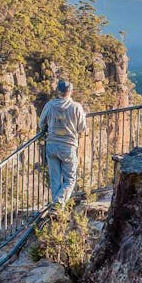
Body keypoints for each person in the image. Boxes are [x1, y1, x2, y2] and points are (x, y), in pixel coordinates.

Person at [38, 79, 87, 207]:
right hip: (68, 146)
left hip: (51, 145)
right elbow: (82, 127)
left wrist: (48, 128)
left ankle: (56, 209)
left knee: (55, 180)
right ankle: (58, 204)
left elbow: (41, 123)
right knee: (70, 179)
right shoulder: (76, 107)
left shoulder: (49, 105)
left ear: (58, 91)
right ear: (70, 92)